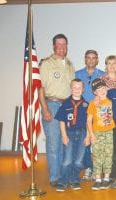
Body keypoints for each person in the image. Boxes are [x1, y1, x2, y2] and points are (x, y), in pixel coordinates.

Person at [38, 33, 75, 186]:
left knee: (65, 142)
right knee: (54, 144)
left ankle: (63, 175)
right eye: (58, 45)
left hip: (67, 106)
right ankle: (55, 177)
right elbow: (40, 88)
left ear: (67, 47)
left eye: (64, 45)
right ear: (53, 46)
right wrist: (45, 109)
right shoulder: (46, 63)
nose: (61, 47)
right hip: (52, 105)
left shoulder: (69, 64)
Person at [75, 49, 105, 180]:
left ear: (97, 60)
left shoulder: (103, 75)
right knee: (86, 141)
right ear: (85, 59)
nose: (91, 60)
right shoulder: (77, 74)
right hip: (82, 112)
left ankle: (98, 169)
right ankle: (88, 167)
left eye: (94, 58)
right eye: (88, 57)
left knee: (97, 141)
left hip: (98, 113)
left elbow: (106, 94)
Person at [55, 79, 88, 192]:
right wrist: (64, 135)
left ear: (83, 89)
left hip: (82, 133)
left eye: (79, 88)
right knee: (67, 159)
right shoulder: (65, 104)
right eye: (74, 88)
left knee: (78, 160)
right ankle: (63, 180)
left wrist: (88, 136)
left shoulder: (86, 105)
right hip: (69, 133)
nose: (77, 90)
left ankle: (74, 179)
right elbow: (61, 121)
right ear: (71, 89)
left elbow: (89, 122)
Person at [87, 78, 116, 190]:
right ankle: (98, 179)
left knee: (108, 155)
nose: (102, 91)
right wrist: (91, 135)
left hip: (109, 132)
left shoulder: (111, 101)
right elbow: (89, 120)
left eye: (103, 88)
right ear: (95, 92)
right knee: (97, 155)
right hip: (97, 133)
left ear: (107, 88)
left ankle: (106, 179)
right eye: (98, 89)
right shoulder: (92, 104)